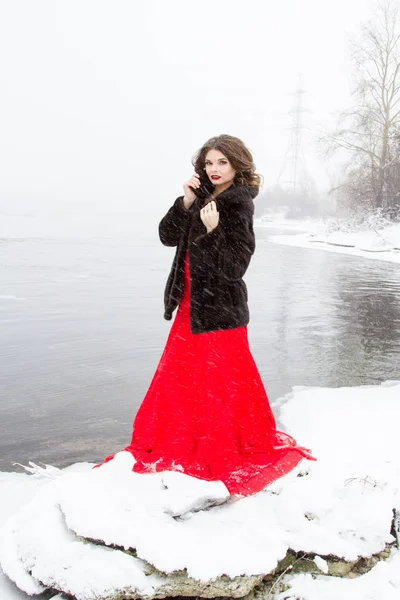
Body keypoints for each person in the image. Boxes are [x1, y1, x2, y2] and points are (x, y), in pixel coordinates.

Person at [101, 134, 315, 496]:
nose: (214, 169)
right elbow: (167, 237)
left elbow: (235, 266)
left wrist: (214, 232)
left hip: (220, 311)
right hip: (189, 305)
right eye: (210, 162)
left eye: (222, 163)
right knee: (182, 377)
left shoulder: (237, 205)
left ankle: (220, 447)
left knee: (221, 383)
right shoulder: (198, 197)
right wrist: (184, 203)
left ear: (237, 165)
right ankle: (184, 440)